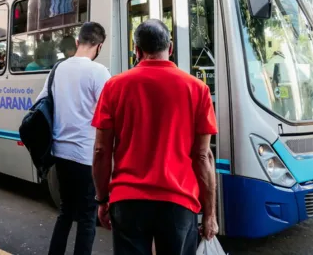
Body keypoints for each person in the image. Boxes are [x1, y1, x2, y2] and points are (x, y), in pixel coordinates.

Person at [92, 19, 219, 255]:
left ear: (137, 50)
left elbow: (101, 150)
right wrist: (209, 215)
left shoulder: (114, 87)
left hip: (127, 201)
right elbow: (203, 157)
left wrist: (102, 199)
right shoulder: (197, 89)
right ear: (170, 48)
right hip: (179, 202)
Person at [36, 22, 111, 255]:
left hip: (60, 154)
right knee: (87, 218)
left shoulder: (57, 69)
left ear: (78, 42)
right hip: (85, 156)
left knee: (66, 213)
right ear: (99, 47)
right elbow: (109, 114)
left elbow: (39, 104)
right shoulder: (99, 72)